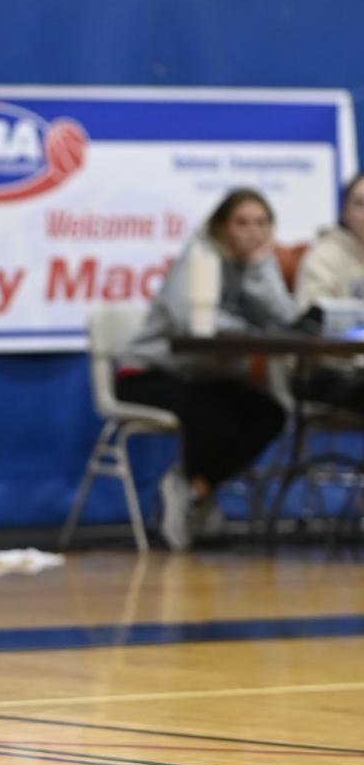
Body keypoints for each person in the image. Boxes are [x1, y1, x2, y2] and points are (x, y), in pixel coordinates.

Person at [115, 188, 295, 550]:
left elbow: (284, 319)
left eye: (262, 223)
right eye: (242, 222)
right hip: (148, 371)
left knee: (270, 413)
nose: (253, 232)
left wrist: (260, 267)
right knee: (212, 415)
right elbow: (191, 323)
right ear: (221, 226)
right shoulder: (198, 257)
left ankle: (195, 488)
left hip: (204, 376)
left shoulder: (258, 263)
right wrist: (247, 330)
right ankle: (186, 491)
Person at [294, 173, 364, 410]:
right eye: (360, 203)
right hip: (332, 369)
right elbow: (313, 323)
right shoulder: (323, 256)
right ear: (345, 211)